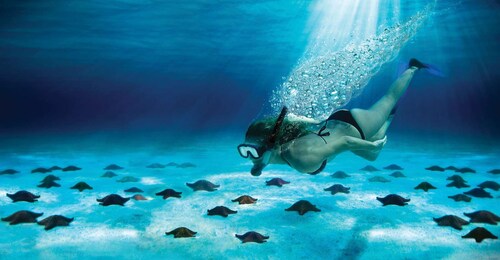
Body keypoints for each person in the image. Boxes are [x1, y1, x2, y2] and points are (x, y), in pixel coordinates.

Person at [238, 58, 428, 176]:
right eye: (246, 150)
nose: (249, 157)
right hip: (334, 121)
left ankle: (413, 68)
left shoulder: (301, 159)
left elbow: (346, 141)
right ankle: (386, 123)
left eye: (253, 151)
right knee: (371, 158)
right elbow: (266, 156)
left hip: (355, 127)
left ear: (271, 145)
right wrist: (259, 165)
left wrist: (372, 145)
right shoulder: (284, 146)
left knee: (389, 100)